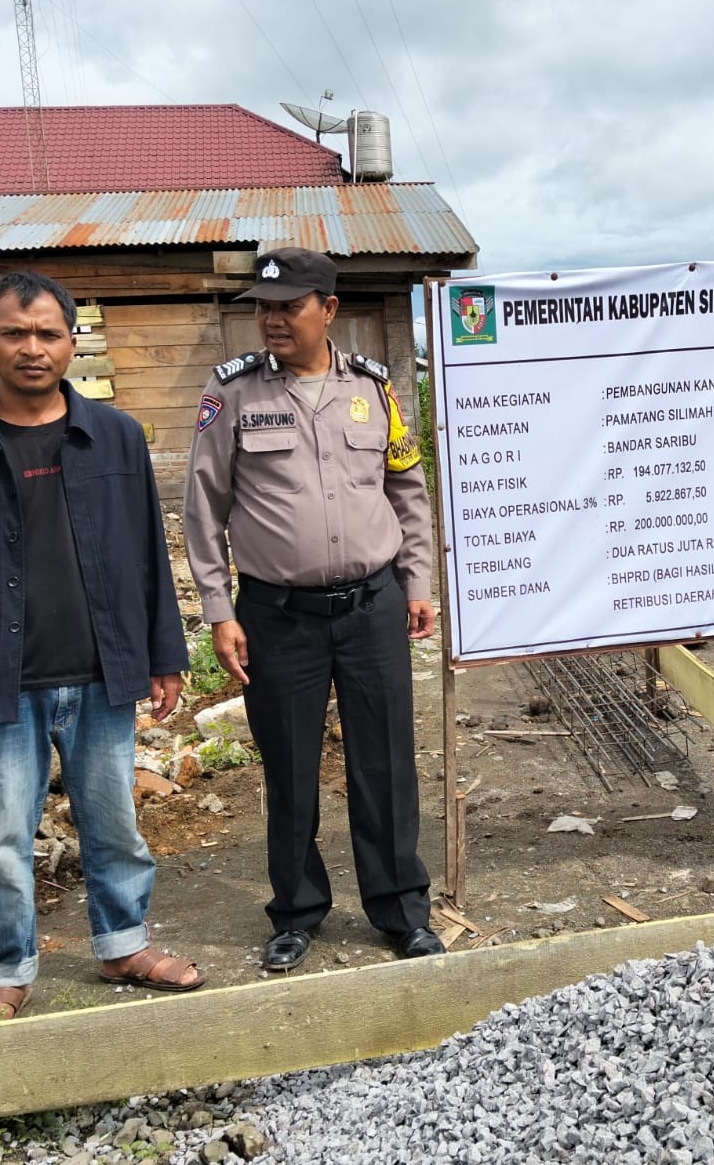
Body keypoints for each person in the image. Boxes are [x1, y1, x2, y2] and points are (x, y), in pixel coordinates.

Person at [0, 271, 202, 1021]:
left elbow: (146, 556)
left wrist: (165, 655)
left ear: (73, 342)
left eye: (47, 334)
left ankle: (124, 944)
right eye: (14, 333)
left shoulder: (116, 436)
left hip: (102, 672)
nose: (32, 349)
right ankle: (8, 970)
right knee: (4, 836)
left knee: (114, 824)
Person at [183, 247, 442, 972]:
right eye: (262, 307)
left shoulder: (375, 390)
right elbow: (204, 509)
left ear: (327, 310)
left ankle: (399, 911)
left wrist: (416, 584)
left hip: (373, 607)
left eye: (287, 307)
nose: (270, 320)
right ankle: (297, 911)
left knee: (386, 765)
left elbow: (407, 491)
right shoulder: (231, 393)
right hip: (277, 615)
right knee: (290, 769)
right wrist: (217, 609)